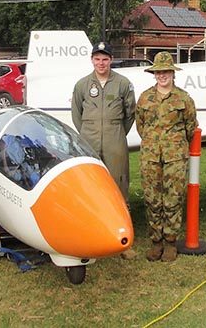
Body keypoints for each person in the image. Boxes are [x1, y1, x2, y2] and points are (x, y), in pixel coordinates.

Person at [71, 41, 137, 259]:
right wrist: (87, 133)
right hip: (88, 139)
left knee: (119, 187)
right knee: (89, 187)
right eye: (97, 59)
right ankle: (88, 235)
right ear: (92, 60)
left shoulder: (123, 84)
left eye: (105, 59)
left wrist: (115, 133)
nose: (101, 63)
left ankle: (124, 242)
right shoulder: (82, 85)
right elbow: (76, 114)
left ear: (111, 60)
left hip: (115, 140)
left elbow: (130, 114)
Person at [136, 52, 197, 262]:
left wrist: (174, 145)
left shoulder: (183, 98)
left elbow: (190, 126)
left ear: (173, 73)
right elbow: (140, 125)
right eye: (158, 72)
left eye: (166, 72)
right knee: (153, 199)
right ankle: (156, 241)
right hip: (151, 156)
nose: (162, 76)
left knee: (173, 198)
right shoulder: (145, 97)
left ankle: (170, 241)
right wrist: (154, 143)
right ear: (154, 74)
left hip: (175, 157)